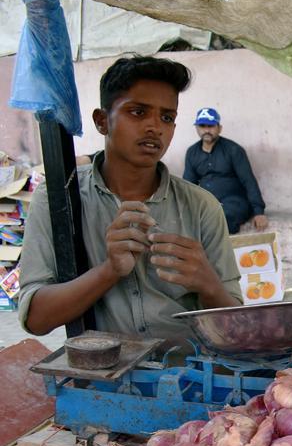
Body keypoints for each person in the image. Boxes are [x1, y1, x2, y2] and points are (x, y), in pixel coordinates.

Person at [18, 55, 242, 350]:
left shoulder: (202, 206)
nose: (154, 127)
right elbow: (36, 319)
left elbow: (237, 328)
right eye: (137, 112)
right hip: (103, 377)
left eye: (167, 117)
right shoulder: (57, 199)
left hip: (192, 374)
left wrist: (207, 283)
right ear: (102, 121)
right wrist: (109, 270)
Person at [183, 107, 268, 234]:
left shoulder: (233, 150)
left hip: (234, 203)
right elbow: (188, 186)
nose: (206, 130)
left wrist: (259, 212)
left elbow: (248, 181)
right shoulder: (192, 152)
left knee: (220, 219)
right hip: (208, 204)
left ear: (219, 128)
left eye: (211, 126)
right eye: (202, 126)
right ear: (197, 128)